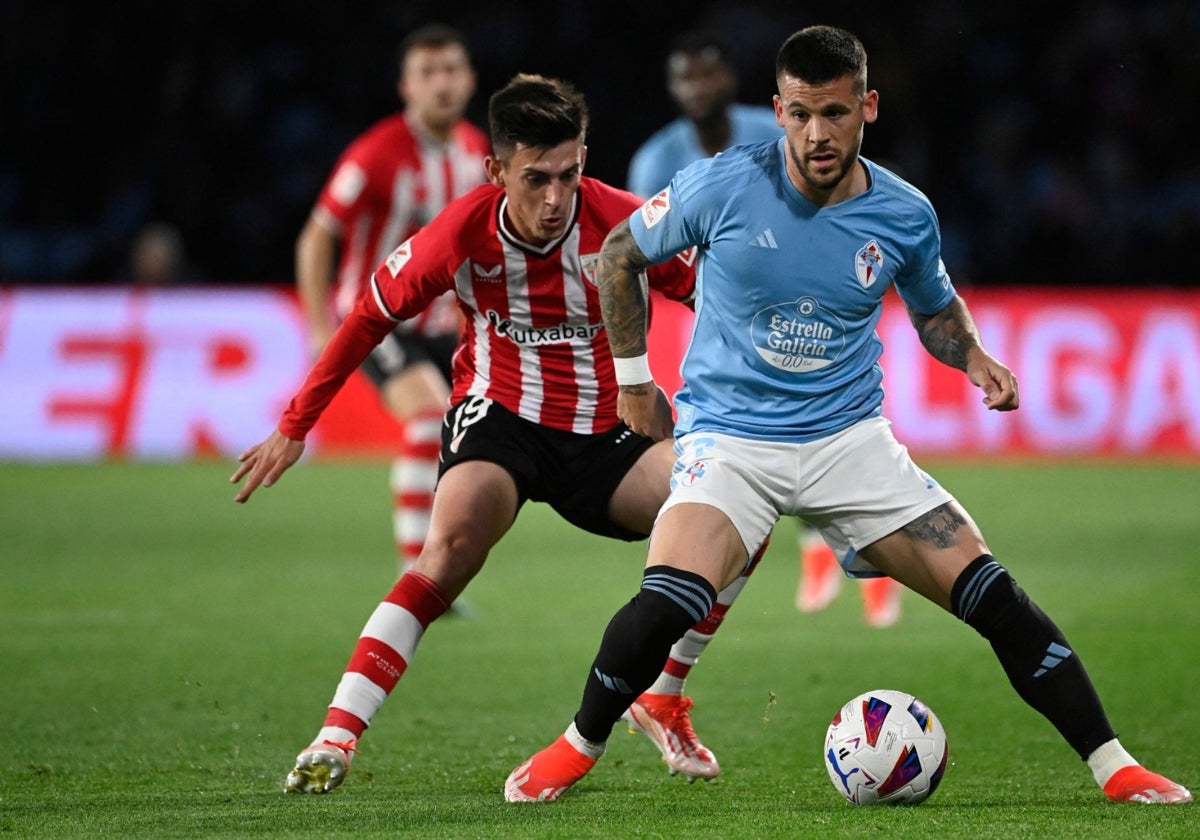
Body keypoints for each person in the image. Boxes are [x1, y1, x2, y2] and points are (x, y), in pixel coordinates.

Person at [504, 26, 1191, 805]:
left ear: (867, 106)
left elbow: (934, 310)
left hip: (850, 443)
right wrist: (634, 381)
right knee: (667, 601)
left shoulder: (903, 213)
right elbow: (621, 253)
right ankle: (578, 743)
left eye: (833, 113)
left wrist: (973, 357)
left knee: (995, 596)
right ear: (778, 109)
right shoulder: (721, 185)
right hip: (730, 440)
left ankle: (1114, 766)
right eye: (798, 114)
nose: (816, 134)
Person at [232, 73, 763, 794]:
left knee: (740, 518)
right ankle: (336, 736)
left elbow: (720, 297)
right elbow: (366, 318)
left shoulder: (626, 223)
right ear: (497, 170)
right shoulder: (459, 232)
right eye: (536, 178)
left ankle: (662, 695)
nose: (555, 199)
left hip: (605, 435)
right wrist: (295, 426)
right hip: (501, 422)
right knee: (447, 551)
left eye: (569, 175)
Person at [628, 29, 899, 627]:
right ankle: (823, 555)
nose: (697, 88)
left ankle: (869, 562)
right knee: (758, 438)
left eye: (707, 74)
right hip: (711, 317)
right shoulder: (654, 160)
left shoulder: (774, 129)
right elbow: (641, 255)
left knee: (823, 428)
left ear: (730, 81)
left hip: (804, 308)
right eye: (684, 78)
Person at [295, 24, 489, 579]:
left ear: (470, 79)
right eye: (428, 74)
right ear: (406, 86)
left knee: (462, 433)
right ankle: (419, 572)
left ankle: (441, 553)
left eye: (451, 70)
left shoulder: (477, 152)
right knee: (430, 418)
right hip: (375, 318)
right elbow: (317, 234)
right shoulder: (375, 154)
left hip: (446, 327)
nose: (442, 85)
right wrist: (316, 326)